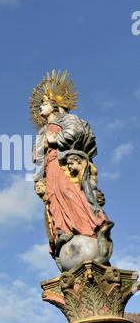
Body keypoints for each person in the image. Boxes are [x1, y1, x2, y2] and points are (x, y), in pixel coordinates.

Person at [30, 71, 113, 263]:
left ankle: (90, 224)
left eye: (44, 104)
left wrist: (56, 139)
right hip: (50, 166)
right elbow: (35, 154)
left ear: (54, 106)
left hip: (64, 163)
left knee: (69, 191)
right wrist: (42, 146)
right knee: (54, 197)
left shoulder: (67, 119)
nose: (40, 107)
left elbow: (76, 132)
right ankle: (63, 231)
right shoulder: (42, 130)